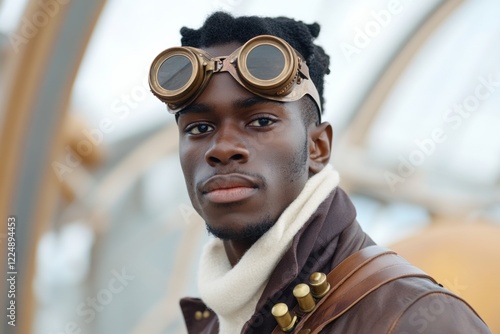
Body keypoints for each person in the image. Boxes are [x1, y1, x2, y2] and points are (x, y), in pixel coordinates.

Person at [148, 11, 491, 334]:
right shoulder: (214, 322)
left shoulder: (416, 318)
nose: (222, 148)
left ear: (318, 147)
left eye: (261, 121)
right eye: (199, 128)